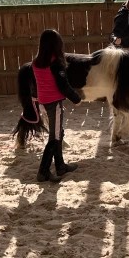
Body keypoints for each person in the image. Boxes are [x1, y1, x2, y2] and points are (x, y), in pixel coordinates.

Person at [31, 29, 81, 183]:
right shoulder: (56, 63)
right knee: (55, 137)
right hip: (54, 104)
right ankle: (43, 171)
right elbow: (63, 86)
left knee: (58, 132)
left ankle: (60, 166)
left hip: (43, 102)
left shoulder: (36, 62)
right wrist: (76, 99)